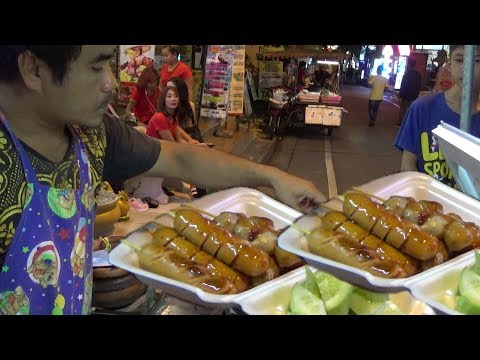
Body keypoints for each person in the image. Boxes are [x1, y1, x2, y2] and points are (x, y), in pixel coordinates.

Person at [0, 45, 325, 315]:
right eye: (96, 67)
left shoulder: (90, 133)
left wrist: (273, 176)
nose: (110, 83)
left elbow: (178, 156)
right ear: (33, 69)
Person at [394, 45, 480, 188]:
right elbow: (407, 165)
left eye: (476, 61)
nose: (467, 68)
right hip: (428, 204)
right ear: (450, 65)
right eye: (459, 60)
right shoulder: (422, 107)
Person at [396, 59, 422, 127]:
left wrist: (400, 94)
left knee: (403, 109)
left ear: (409, 65)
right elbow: (419, 85)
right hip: (414, 95)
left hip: (406, 95)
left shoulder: (407, 74)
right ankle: (409, 123)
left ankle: (400, 122)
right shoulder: (418, 75)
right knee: (410, 109)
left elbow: (403, 84)